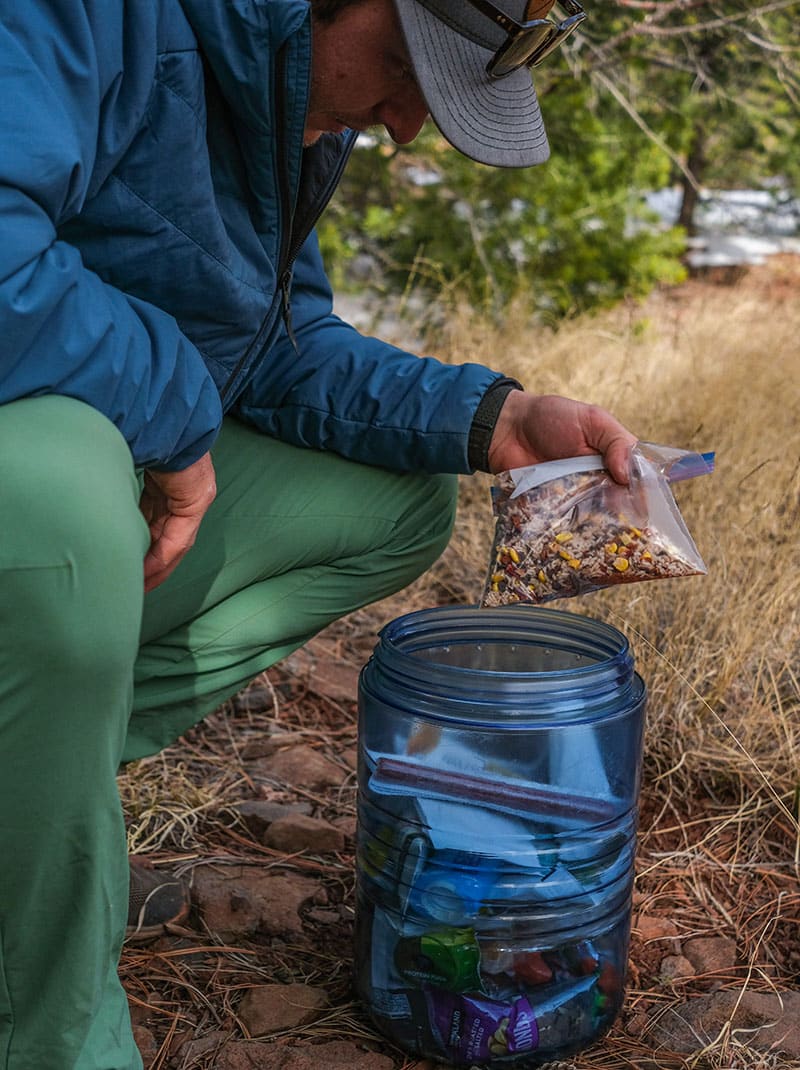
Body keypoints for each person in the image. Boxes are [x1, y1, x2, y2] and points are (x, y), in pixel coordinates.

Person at [0, 0, 637, 1066]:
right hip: (36, 451)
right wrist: (170, 402)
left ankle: (34, 774)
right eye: (399, 66)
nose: (401, 125)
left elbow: (275, 349)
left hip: (107, 445)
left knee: (391, 502)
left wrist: (494, 419)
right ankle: (48, 1032)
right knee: (68, 512)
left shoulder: (288, 106)